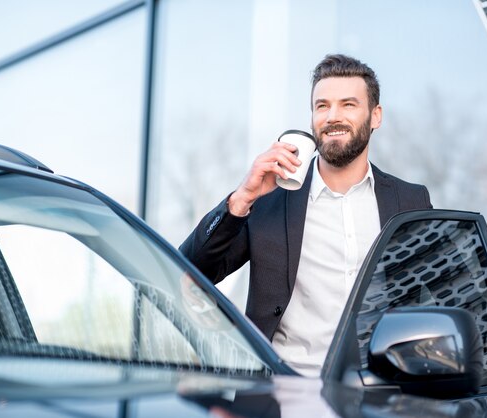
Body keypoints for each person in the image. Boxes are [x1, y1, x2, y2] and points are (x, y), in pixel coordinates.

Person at [179, 54, 432, 376]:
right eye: (322, 106)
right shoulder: (268, 201)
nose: (332, 117)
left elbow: (436, 297)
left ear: (375, 116)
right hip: (286, 387)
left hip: (383, 390)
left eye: (348, 105)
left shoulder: (410, 200)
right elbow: (190, 271)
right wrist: (242, 198)